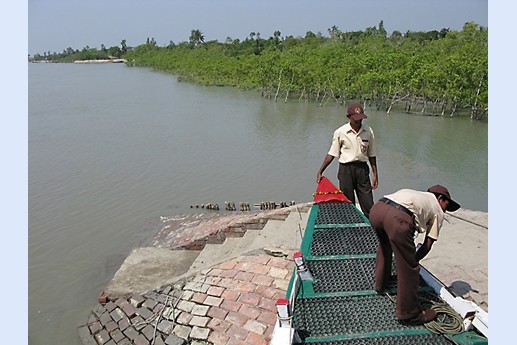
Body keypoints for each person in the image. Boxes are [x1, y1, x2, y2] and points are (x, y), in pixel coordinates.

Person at [369, 185, 461, 325]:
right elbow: (427, 245)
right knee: (409, 269)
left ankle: (380, 284)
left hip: (378, 210)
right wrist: (412, 261)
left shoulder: (418, 195)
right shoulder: (437, 209)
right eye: (446, 205)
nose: (445, 210)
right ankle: (409, 314)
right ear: (440, 198)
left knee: (384, 247)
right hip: (398, 218)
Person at [316, 103, 378, 218]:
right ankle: (350, 229)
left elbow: (372, 154)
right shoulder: (341, 132)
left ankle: (372, 230)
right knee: (348, 204)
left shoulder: (368, 131)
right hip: (346, 170)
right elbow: (332, 154)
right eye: (356, 119)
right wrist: (321, 171)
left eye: (360, 119)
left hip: (362, 170)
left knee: (368, 203)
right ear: (348, 117)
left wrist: (375, 174)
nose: (359, 122)